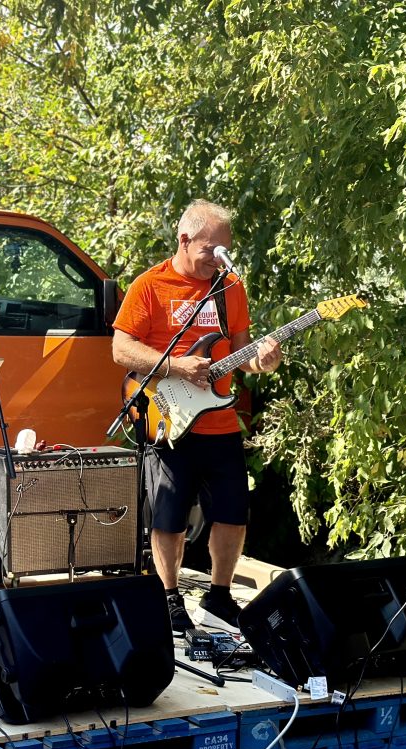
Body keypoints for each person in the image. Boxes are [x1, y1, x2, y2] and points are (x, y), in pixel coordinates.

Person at [112, 200, 282, 635]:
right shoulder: (149, 286)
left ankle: (219, 595)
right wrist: (175, 366)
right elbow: (121, 350)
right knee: (168, 516)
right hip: (166, 419)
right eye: (211, 250)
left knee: (233, 513)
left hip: (219, 421)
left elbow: (244, 355)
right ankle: (169, 599)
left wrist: (264, 362)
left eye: (225, 250)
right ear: (184, 241)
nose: (219, 259)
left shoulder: (230, 288)